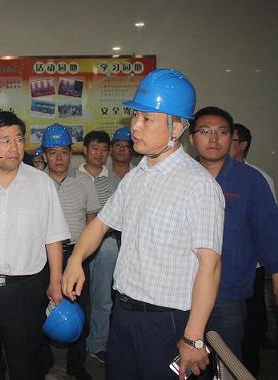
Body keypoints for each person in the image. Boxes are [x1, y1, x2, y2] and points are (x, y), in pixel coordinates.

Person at [62, 69, 224, 380]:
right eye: (136, 115)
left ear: (177, 127)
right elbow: (100, 224)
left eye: (147, 119)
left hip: (167, 321)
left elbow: (211, 265)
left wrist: (194, 337)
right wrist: (76, 259)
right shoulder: (135, 177)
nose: (135, 126)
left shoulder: (198, 185)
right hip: (124, 313)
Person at [0, 111, 70, 380]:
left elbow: (53, 235)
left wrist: (55, 281)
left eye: (19, 139)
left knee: (27, 366)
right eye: (6, 140)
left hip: (26, 292)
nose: (14, 147)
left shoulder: (41, 183)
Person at [189, 106, 278, 370]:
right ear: (191, 138)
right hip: (181, 291)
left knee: (226, 363)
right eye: (205, 131)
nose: (214, 139)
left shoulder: (250, 180)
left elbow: (269, 232)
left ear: (231, 138)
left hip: (227, 292)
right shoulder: (182, 177)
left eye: (222, 132)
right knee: (188, 363)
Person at [42, 123, 100, 379]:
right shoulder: (36, 182)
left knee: (80, 310)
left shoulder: (85, 182)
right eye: (52, 152)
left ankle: (77, 364)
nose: (59, 158)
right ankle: (43, 361)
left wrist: (82, 256)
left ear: (71, 153)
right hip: (43, 256)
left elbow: (92, 222)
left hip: (76, 255)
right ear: (44, 155)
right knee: (42, 308)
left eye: (64, 152)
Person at [77, 130, 120, 364]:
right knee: (79, 298)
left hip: (106, 245)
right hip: (77, 246)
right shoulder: (73, 177)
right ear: (85, 150)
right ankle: (77, 345)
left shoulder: (115, 181)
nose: (99, 153)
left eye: (104, 149)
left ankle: (98, 344)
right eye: (95, 148)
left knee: (103, 298)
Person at [229, 122, 275, 200]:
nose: (224, 144)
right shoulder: (211, 175)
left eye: (230, 140)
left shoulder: (259, 178)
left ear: (243, 145)